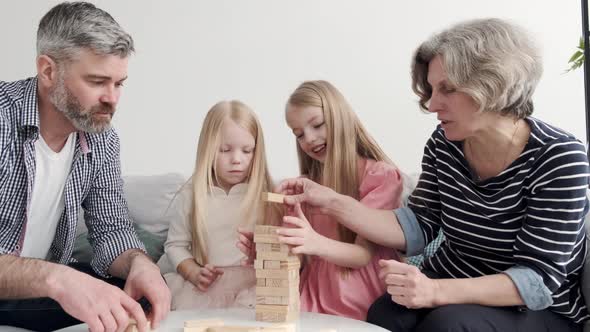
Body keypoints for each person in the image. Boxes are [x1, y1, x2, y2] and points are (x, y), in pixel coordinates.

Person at [275, 18, 590, 331]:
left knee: (448, 324)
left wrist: (435, 291)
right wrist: (330, 201)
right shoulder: (445, 144)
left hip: (535, 309)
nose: (430, 103)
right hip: (453, 280)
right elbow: (418, 226)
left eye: (447, 89)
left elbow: (536, 280)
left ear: (493, 86)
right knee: (385, 313)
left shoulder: (560, 157)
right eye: (430, 88)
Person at [0, 2, 170, 331]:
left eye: (119, 83)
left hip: (37, 293)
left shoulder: (101, 138)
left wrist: (140, 263)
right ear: (48, 71)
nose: (113, 99)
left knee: (137, 295)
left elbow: (111, 229)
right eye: (97, 82)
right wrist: (59, 279)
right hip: (29, 287)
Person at [239, 80, 404, 320]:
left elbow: (362, 255)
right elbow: (297, 254)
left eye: (317, 125)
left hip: (359, 290)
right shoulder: (303, 185)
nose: (310, 138)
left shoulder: (380, 176)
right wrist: (266, 250)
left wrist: (313, 241)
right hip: (314, 291)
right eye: (299, 134)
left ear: (339, 116)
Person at [157, 100, 280, 310]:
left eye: (247, 150)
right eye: (225, 150)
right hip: (205, 286)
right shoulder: (192, 195)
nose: (236, 159)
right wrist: (193, 272)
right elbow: (175, 245)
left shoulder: (267, 196)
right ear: (208, 148)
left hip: (250, 286)